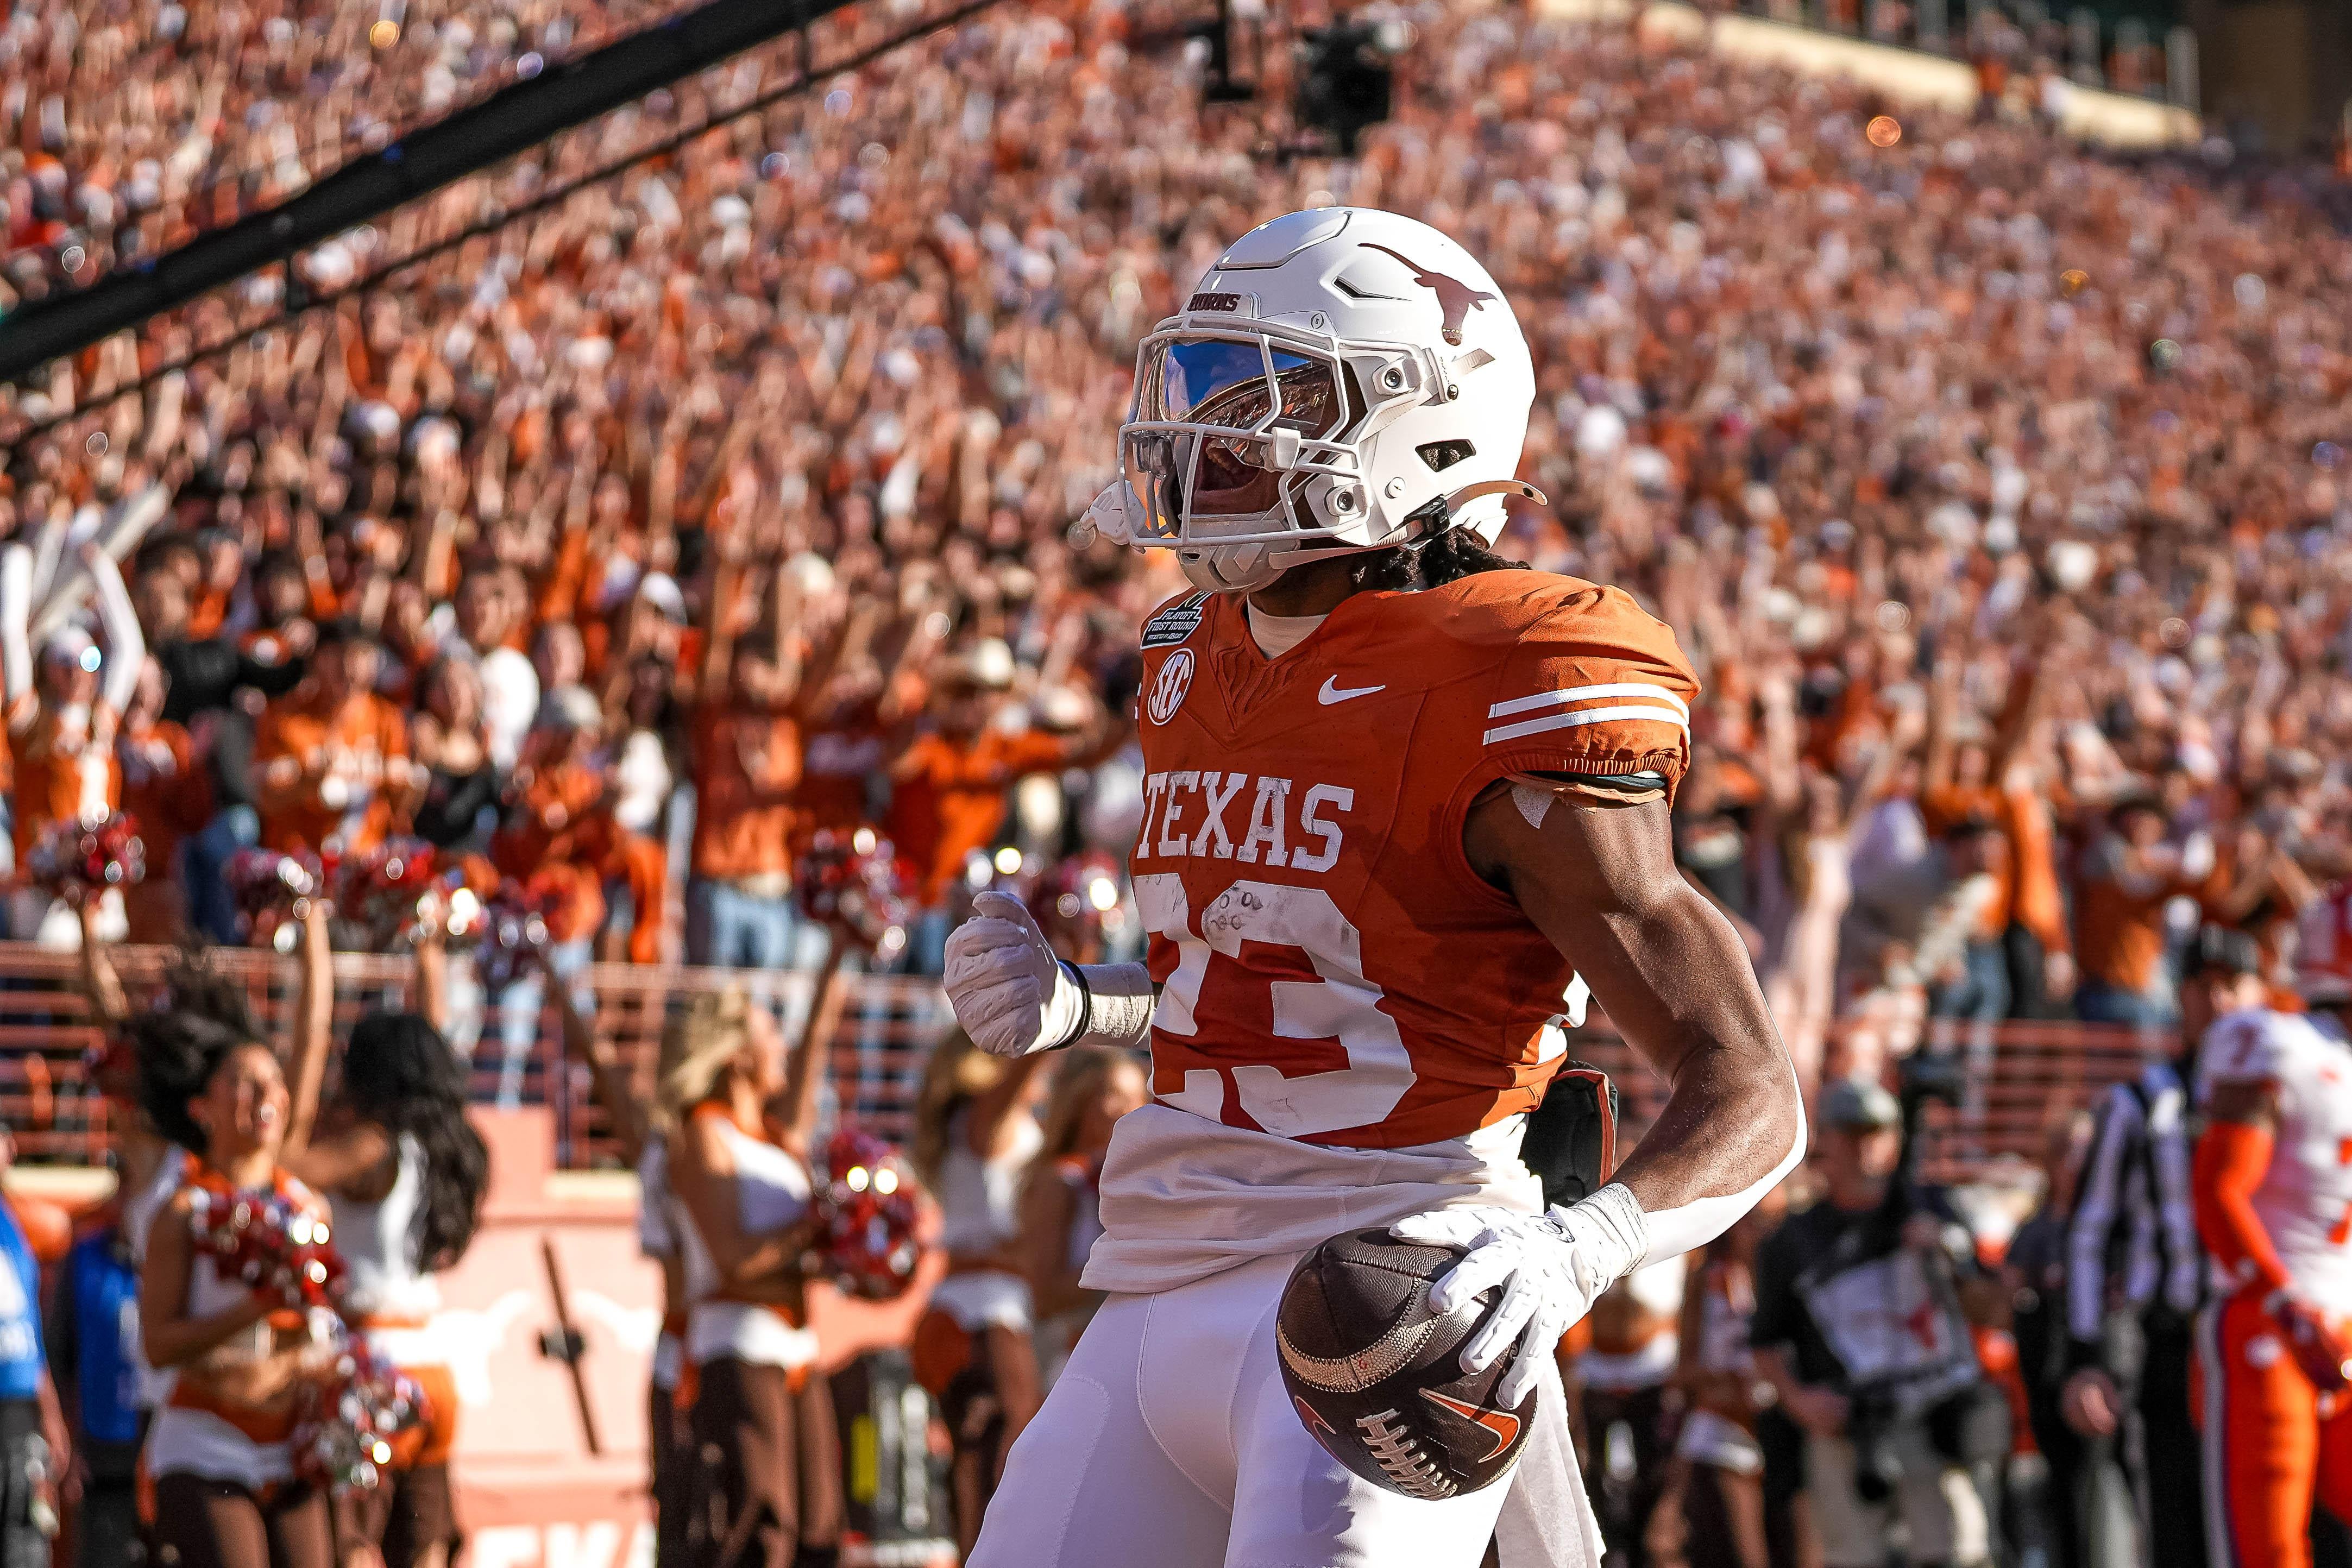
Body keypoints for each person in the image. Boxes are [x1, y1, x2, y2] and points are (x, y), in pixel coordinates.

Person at [940, 208, 1803, 1568]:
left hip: (1388, 1286)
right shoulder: (1192, 652)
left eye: (1270, 398)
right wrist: (1085, 1009)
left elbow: (1748, 1082)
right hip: (1159, 1274)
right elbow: (1293, 997)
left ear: (1425, 426)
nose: (1208, 436)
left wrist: (1581, 1247)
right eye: (1207, 389)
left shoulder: (1504, 674)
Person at [279, 907, 483, 1568]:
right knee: (423, 1550)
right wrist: (426, 948)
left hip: (372, 1368)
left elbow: (279, 1172)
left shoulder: (370, 1148)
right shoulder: (443, 1145)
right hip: (436, 1368)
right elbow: (434, 1030)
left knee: (358, 1548)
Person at [133, 927, 339, 1568]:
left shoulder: (308, 1207)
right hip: (206, 1443)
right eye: (243, 1085)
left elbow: (316, 1330)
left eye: (272, 1084)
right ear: (203, 1107)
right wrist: (255, 1308)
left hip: (292, 1446)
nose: (265, 1098)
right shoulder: (183, 1212)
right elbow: (159, 1343)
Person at [1751, 1081, 1998, 1568]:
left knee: (1959, 1552)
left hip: (1934, 1414)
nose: (1868, 1146)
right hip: (1848, 1428)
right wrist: (1801, 1401)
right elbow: (1765, 1343)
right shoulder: (1793, 1239)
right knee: (1852, 1558)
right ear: (1828, 1143)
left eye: (1879, 1133)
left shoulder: (1931, 1206)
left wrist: (1948, 1251)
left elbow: (1993, 1308)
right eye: (1854, 1133)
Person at [2055, 929, 2233, 1568]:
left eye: (2231, 984)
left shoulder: (2285, 1095)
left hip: (2257, 1339)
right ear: (2180, 996)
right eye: (2203, 985)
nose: (2219, 1001)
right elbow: (2088, 1232)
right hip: (2169, 1341)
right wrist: (2085, 1353)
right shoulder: (2138, 1102)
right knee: (2172, 1520)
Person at [661, 988, 842, 1568]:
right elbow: (734, 1259)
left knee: (819, 1529)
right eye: (771, 1033)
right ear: (736, 1053)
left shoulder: (776, 1138)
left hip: (798, 1347)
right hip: (736, 1345)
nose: (783, 1047)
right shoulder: (703, 1134)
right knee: (759, 1531)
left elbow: (814, 1046)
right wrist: (812, 1230)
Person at [2190, 953, 2352, 1567]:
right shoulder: (2275, 1042)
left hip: (2343, 1317)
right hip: (2271, 1320)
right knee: (2269, 1546)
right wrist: (2285, 1305)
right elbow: (2217, 1191)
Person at [907, 1031, 1049, 1558]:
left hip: (965, 1314)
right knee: (1001, 1472)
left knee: (980, 1472)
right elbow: (1036, 1060)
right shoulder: (983, 1117)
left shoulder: (959, 1124)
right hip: (986, 1320)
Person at [1017, 1046, 1149, 1390]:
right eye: (1115, 1096)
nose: (1131, 1110)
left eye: (1137, 1097)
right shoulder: (1058, 1181)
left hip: (1136, 1354)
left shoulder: (1146, 1182)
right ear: (1077, 1101)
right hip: (1074, 1359)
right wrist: (1132, 1259)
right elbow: (1044, 1296)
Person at [1676, 1188, 1790, 1568]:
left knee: (1801, 1543)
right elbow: (1683, 1368)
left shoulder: (1795, 1279)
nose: (1761, 1231)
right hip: (1727, 1423)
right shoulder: (1707, 1278)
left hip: (1788, 1423)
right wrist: (1721, 1382)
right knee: (1745, 1551)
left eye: (1773, 1221)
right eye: (1753, 1219)